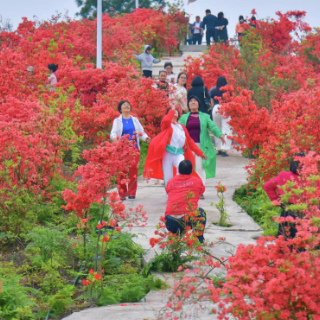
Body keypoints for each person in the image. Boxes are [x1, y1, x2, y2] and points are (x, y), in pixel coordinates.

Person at [143, 105, 206, 187]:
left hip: (179, 153)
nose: (174, 111)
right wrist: (171, 110)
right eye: (172, 111)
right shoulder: (167, 125)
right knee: (168, 175)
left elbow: (190, 141)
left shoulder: (182, 127)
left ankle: (178, 188)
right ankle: (169, 193)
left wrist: (200, 153)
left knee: (182, 168)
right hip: (168, 153)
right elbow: (166, 120)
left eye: (176, 110)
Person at [179, 96, 225, 198]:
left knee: (199, 168)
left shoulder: (205, 116)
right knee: (188, 168)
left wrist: (220, 135)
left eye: (195, 101)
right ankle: (188, 190)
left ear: (199, 104)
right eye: (190, 101)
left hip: (201, 146)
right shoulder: (184, 117)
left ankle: (200, 190)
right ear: (188, 105)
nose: (193, 102)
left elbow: (212, 126)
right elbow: (178, 129)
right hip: (188, 147)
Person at [110, 100, 151, 200]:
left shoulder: (135, 120)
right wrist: (115, 138)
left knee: (133, 169)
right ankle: (122, 193)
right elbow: (113, 134)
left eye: (128, 105)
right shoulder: (117, 121)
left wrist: (146, 138)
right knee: (122, 171)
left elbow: (141, 132)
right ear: (120, 109)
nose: (127, 106)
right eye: (124, 105)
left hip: (134, 148)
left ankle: (132, 193)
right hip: (122, 148)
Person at [263, 154, 305, 240]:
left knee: (286, 244)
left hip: (288, 213)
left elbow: (267, 186)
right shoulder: (312, 179)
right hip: (307, 214)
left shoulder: (283, 176)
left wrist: (277, 201)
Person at [165, 160, 206, 243]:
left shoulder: (171, 181)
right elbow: (201, 191)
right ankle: (199, 238)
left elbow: (167, 191)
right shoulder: (197, 181)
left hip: (170, 221)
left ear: (178, 170)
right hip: (188, 221)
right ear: (191, 170)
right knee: (201, 212)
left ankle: (174, 237)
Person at [210, 76, 232, 157]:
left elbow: (211, 102)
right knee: (226, 128)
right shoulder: (228, 91)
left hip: (215, 108)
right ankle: (224, 148)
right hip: (225, 107)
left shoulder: (213, 90)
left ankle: (218, 147)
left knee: (217, 128)